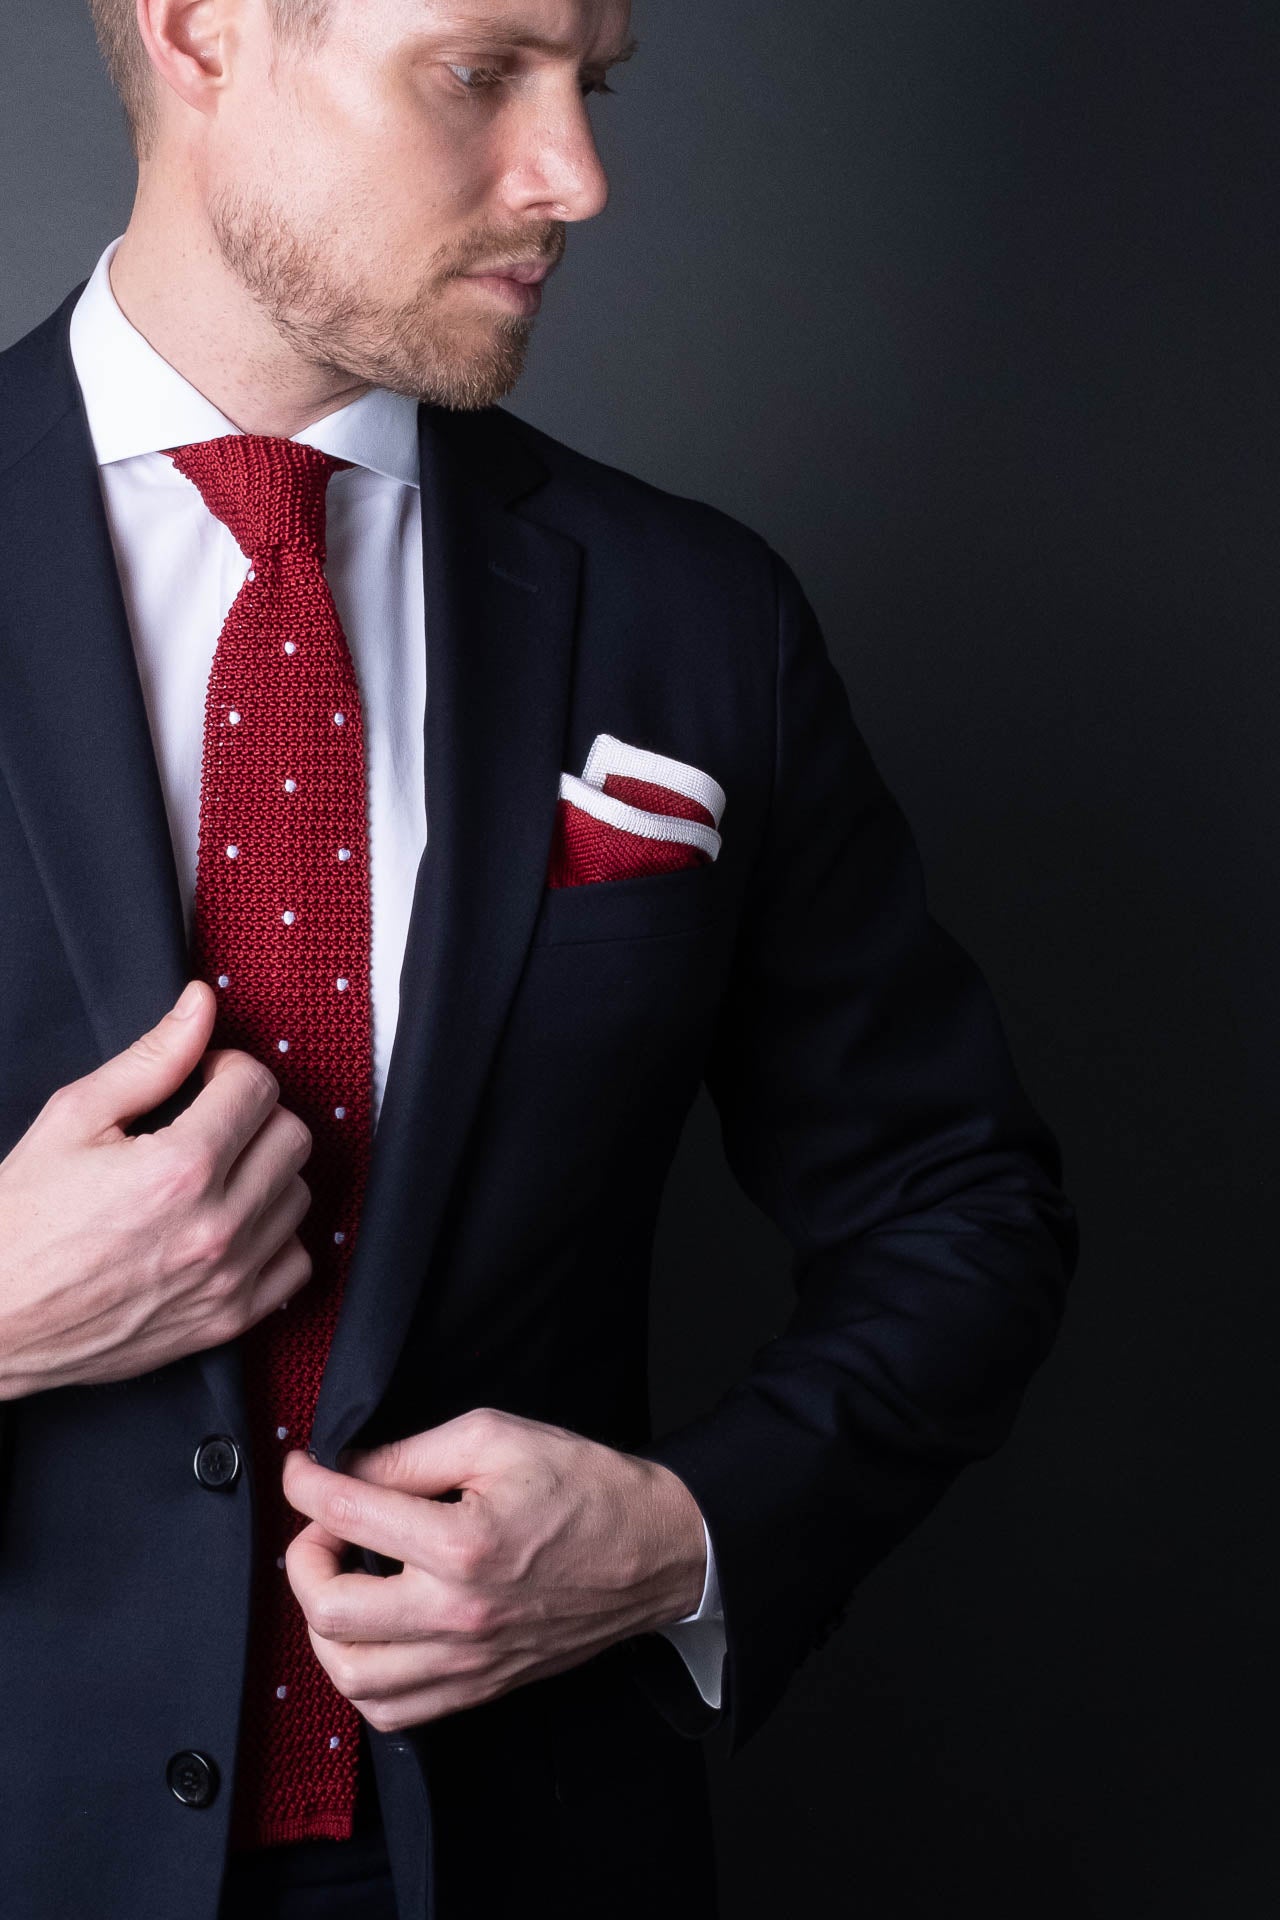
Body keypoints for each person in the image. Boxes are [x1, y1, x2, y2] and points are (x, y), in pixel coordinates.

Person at [0, 1, 1077, 1915]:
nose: (577, 176)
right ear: (198, 29)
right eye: (483, 69)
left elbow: (958, 1200)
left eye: (598, 84)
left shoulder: (694, 612)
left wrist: (683, 1535)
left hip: (522, 1854)